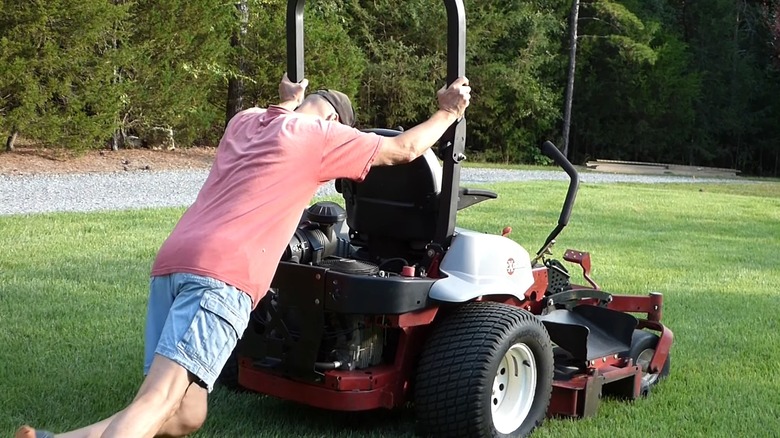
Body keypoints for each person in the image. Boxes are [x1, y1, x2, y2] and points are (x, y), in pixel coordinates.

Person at [16, 73, 470, 438]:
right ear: (335, 120)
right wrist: (448, 110)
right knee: (154, 402)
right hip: (223, 274)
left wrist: (289, 99)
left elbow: (282, 116)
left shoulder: (245, 120)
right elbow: (405, 149)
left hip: (174, 262)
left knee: (184, 414)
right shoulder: (321, 136)